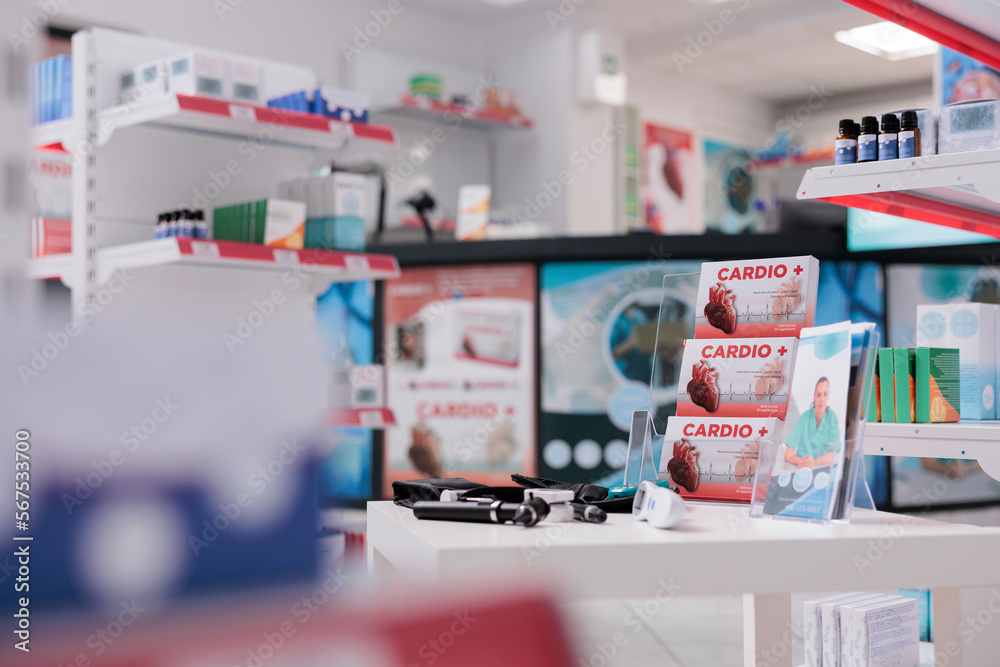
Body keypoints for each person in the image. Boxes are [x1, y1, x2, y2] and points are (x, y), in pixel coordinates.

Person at [784, 376, 840, 469]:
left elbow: (834, 454)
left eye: (825, 394)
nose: (822, 399)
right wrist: (802, 462)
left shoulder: (831, 417)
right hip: (801, 468)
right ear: (814, 396)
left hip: (822, 469)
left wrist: (814, 462)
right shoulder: (804, 418)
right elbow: (788, 454)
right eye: (818, 395)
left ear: (828, 395)